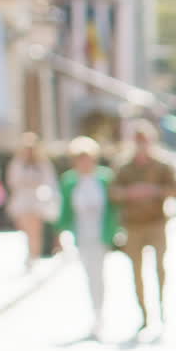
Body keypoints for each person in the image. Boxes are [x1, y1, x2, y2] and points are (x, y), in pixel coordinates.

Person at [110, 120, 176, 331]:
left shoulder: (162, 165)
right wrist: (130, 193)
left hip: (156, 222)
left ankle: (162, 306)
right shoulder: (123, 166)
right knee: (136, 271)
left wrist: (155, 191)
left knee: (160, 268)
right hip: (133, 225)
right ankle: (144, 313)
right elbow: (113, 193)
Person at [55, 137, 120, 339]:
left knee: (99, 273)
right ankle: (96, 313)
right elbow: (65, 210)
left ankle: (100, 313)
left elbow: (115, 206)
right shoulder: (69, 181)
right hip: (82, 233)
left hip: (102, 232)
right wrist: (59, 234)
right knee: (90, 274)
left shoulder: (105, 178)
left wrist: (117, 230)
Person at [6, 132, 59, 270]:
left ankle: (34, 255)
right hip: (22, 200)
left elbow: (49, 182)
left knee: (35, 230)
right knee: (25, 230)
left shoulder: (42, 163)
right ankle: (29, 253)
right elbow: (13, 181)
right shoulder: (18, 163)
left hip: (37, 201)